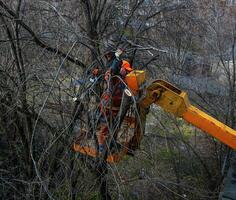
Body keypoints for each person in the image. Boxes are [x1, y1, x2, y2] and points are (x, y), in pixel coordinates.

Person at [96, 47, 132, 156]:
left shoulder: (123, 78)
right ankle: (102, 148)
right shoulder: (112, 75)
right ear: (120, 68)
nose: (126, 72)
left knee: (115, 127)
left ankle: (111, 145)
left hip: (116, 107)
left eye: (127, 71)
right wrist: (117, 57)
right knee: (106, 127)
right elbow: (113, 70)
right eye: (125, 70)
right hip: (108, 106)